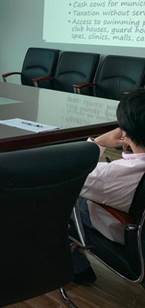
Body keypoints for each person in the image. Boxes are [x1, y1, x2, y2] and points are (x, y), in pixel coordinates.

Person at [71, 89, 145, 284]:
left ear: (125, 133)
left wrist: (97, 142)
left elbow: (70, 174)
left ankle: (77, 268)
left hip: (127, 236)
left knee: (59, 198)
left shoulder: (113, 174)